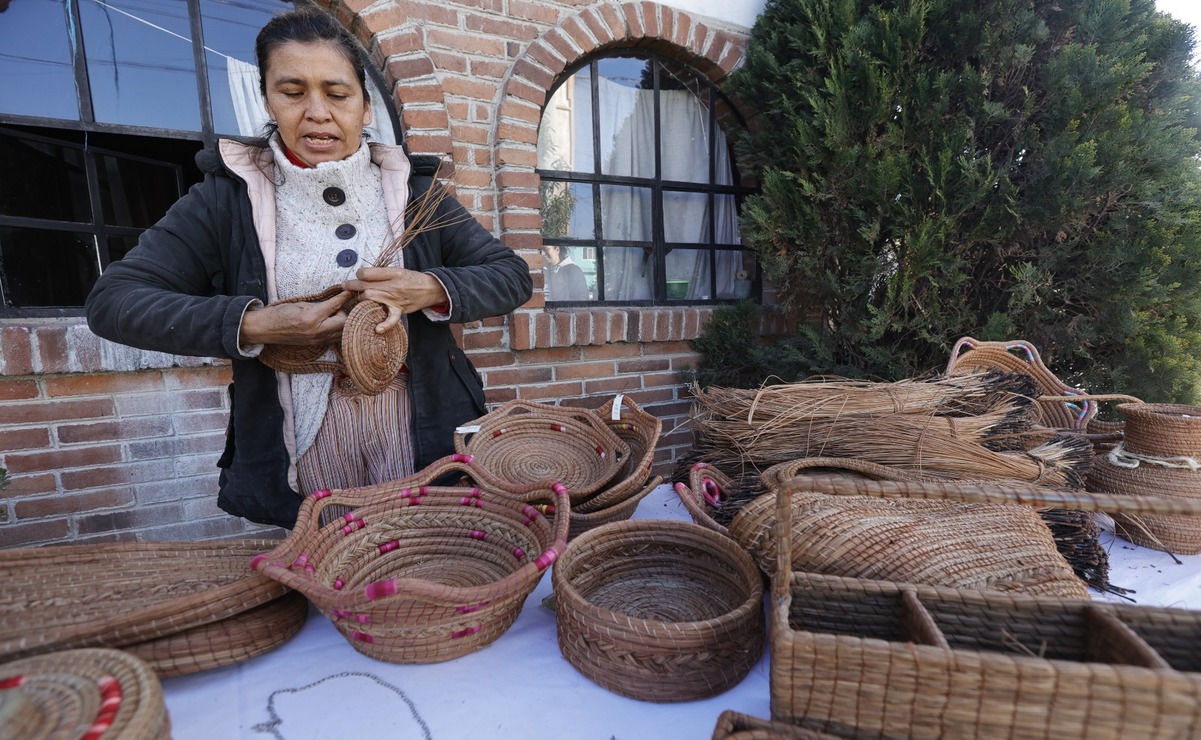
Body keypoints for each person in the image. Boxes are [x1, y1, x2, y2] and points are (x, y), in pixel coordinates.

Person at [85, 8, 531, 529]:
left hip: (419, 426)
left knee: (428, 560)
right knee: (333, 577)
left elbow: (510, 275)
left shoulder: (414, 193)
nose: (317, 112)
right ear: (268, 99)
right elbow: (113, 301)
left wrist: (429, 287)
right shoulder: (226, 200)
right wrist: (251, 324)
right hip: (302, 436)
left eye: (337, 94)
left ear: (366, 107)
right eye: (293, 92)